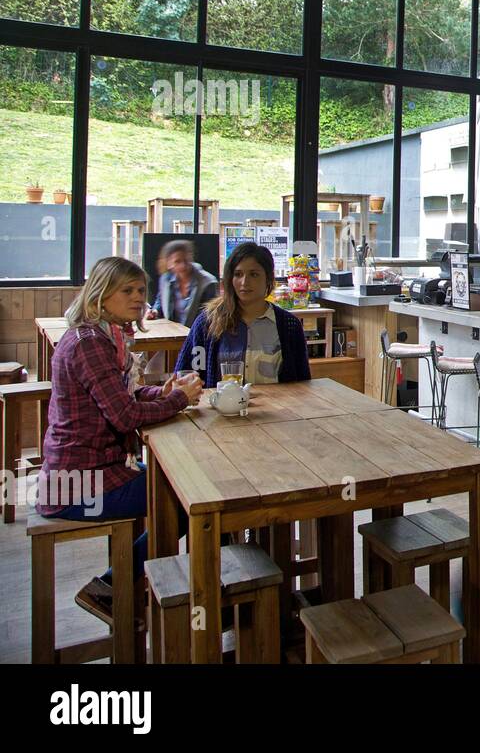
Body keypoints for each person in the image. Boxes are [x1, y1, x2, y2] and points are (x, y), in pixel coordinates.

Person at [36, 256, 203, 623]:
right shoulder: (89, 344)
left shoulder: (101, 335)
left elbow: (123, 397)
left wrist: (163, 392)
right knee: (189, 498)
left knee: (178, 483)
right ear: (100, 295)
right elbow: (124, 415)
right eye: (126, 290)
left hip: (94, 469)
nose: (138, 298)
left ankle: (139, 587)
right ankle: (115, 588)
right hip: (77, 484)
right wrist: (178, 399)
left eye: (141, 291)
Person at [174, 242, 311, 386]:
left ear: (268, 278)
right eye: (238, 274)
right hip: (221, 407)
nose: (245, 282)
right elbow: (183, 378)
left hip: (276, 407)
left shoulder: (289, 326)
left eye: (254, 274)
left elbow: (302, 383)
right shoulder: (207, 322)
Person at [147, 239, 218, 327]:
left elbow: (210, 317)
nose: (183, 265)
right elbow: (161, 301)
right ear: (169, 263)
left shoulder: (207, 282)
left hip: (197, 335)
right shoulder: (165, 279)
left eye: (186, 260)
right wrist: (155, 311)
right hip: (173, 334)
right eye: (177, 261)